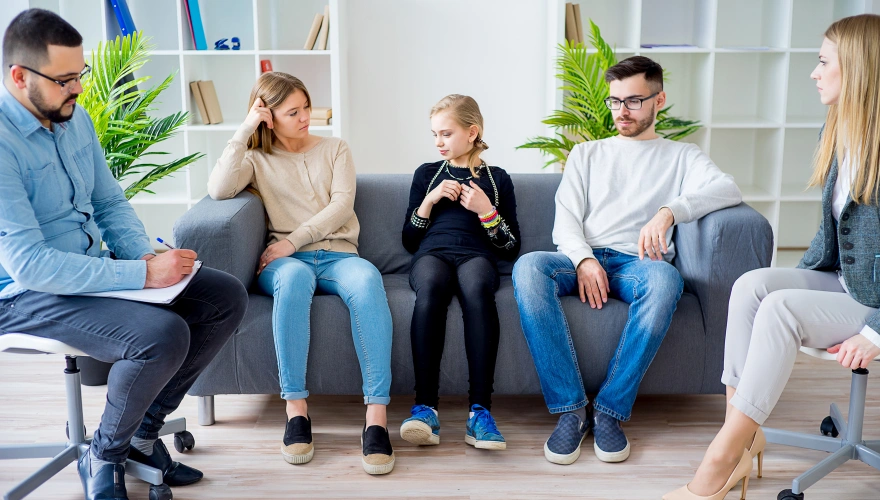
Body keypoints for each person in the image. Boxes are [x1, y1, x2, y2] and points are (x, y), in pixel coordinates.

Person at [0, 9, 249, 500]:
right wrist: (141, 274)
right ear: (19, 77)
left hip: (92, 265)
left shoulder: (74, 119)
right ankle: (104, 454)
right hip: (23, 291)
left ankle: (141, 434)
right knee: (161, 335)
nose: (78, 90)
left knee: (223, 296)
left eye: (81, 75)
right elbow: (28, 263)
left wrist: (153, 264)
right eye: (65, 80)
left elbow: (109, 202)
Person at [664, 14, 880, 500]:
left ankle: (721, 457)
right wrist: (787, 281)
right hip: (849, 282)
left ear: (857, 68)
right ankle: (745, 435)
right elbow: (829, 239)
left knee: (780, 308)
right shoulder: (839, 132)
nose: (814, 73)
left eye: (823, 62)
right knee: (755, 286)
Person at [512, 56, 742, 466]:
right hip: (579, 258)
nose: (622, 111)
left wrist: (670, 211)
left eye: (634, 101)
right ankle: (570, 411)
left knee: (666, 281)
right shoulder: (586, 154)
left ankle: (609, 411)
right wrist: (583, 260)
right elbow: (565, 220)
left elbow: (728, 187)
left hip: (639, 265)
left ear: (659, 100)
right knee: (528, 267)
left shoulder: (682, 156)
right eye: (615, 101)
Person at [207, 71, 395, 475]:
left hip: (337, 254)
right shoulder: (256, 160)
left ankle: (376, 418)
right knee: (293, 281)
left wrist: (294, 239)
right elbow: (220, 189)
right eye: (293, 111)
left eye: (306, 107)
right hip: (286, 265)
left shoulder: (335, 149)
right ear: (268, 116)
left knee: (368, 281)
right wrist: (244, 129)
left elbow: (341, 205)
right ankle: (296, 411)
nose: (306, 116)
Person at [399, 94, 520, 450]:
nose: (438, 142)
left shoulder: (498, 179)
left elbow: (512, 247)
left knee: (478, 290)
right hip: (431, 254)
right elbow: (409, 240)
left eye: (446, 134)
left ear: (472, 132)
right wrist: (429, 200)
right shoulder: (426, 174)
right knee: (432, 287)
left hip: (476, 256)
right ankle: (425, 409)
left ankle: (480, 412)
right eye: (434, 134)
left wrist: (486, 211)